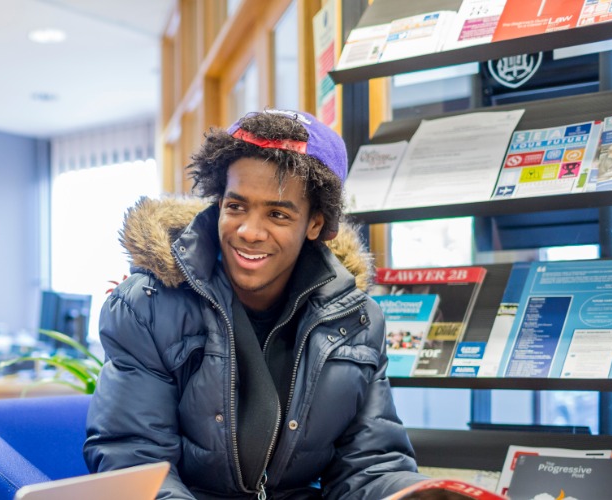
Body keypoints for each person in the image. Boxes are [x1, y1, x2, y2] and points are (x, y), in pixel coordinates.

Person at [85, 109, 427, 499]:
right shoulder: (147, 306)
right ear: (219, 203)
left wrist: (421, 494)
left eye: (277, 214)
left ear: (315, 224)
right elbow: (135, 460)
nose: (249, 232)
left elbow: (370, 467)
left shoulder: (357, 321)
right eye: (236, 207)